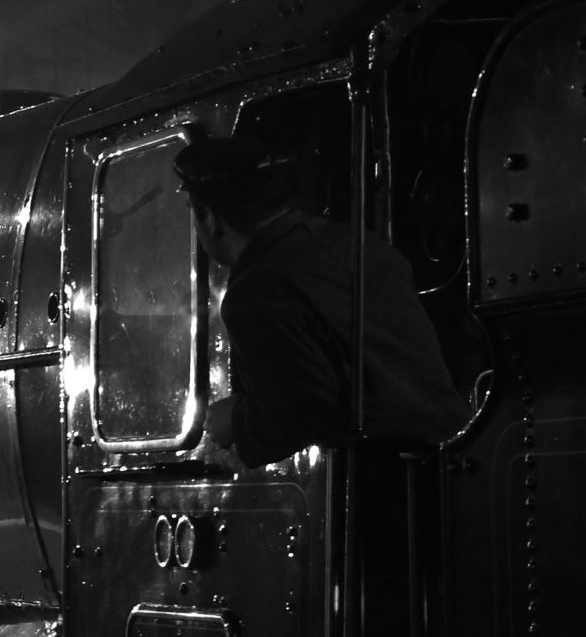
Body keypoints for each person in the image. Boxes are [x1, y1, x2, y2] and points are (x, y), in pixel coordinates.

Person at [178, 134, 471, 466]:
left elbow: (303, 408)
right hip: (460, 454)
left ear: (210, 220)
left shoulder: (256, 292)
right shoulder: (358, 245)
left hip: (386, 474)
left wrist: (235, 421)